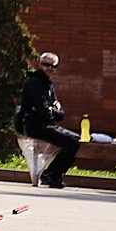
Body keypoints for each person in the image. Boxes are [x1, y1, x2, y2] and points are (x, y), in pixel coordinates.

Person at [17, 51, 78, 189]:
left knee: (78, 140)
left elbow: (59, 113)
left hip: (46, 124)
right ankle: (51, 174)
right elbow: (44, 111)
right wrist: (50, 111)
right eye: (46, 65)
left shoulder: (47, 84)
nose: (49, 68)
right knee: (72, 144)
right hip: (35, 126)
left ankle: (53, 173)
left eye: (53, 66)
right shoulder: (34, 82)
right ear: (40, 64)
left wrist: (51, 111)